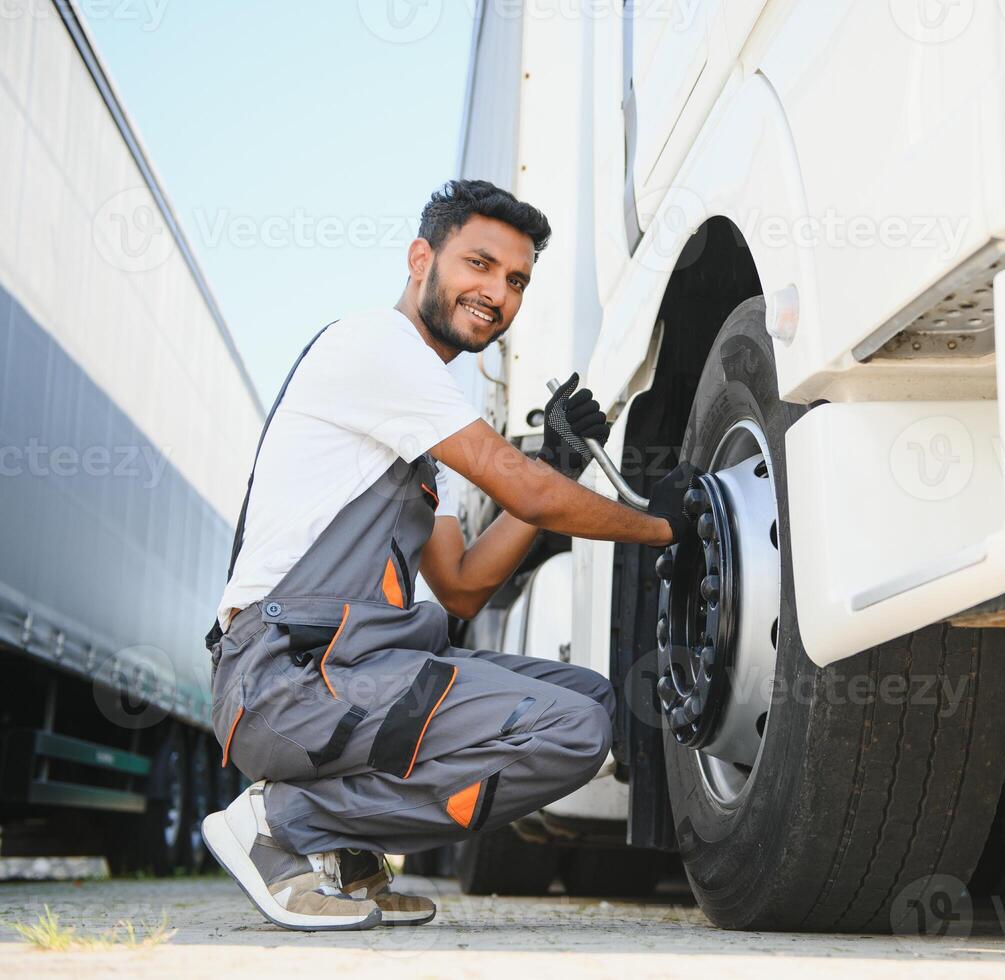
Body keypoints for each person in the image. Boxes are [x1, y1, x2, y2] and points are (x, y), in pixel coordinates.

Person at [201, 179, 697, 931]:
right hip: (284, 678)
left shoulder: (412, 427)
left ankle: (341, 849)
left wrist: (560, 465)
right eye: (479, 264)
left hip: (349, 668)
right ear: (420, 258)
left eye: (516, 280)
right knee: (570, 732)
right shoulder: (377, 346)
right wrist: (663, 527)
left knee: (593, 701)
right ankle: (284, 825)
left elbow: (463, 586)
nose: (496, 293)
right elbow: (520, 490)